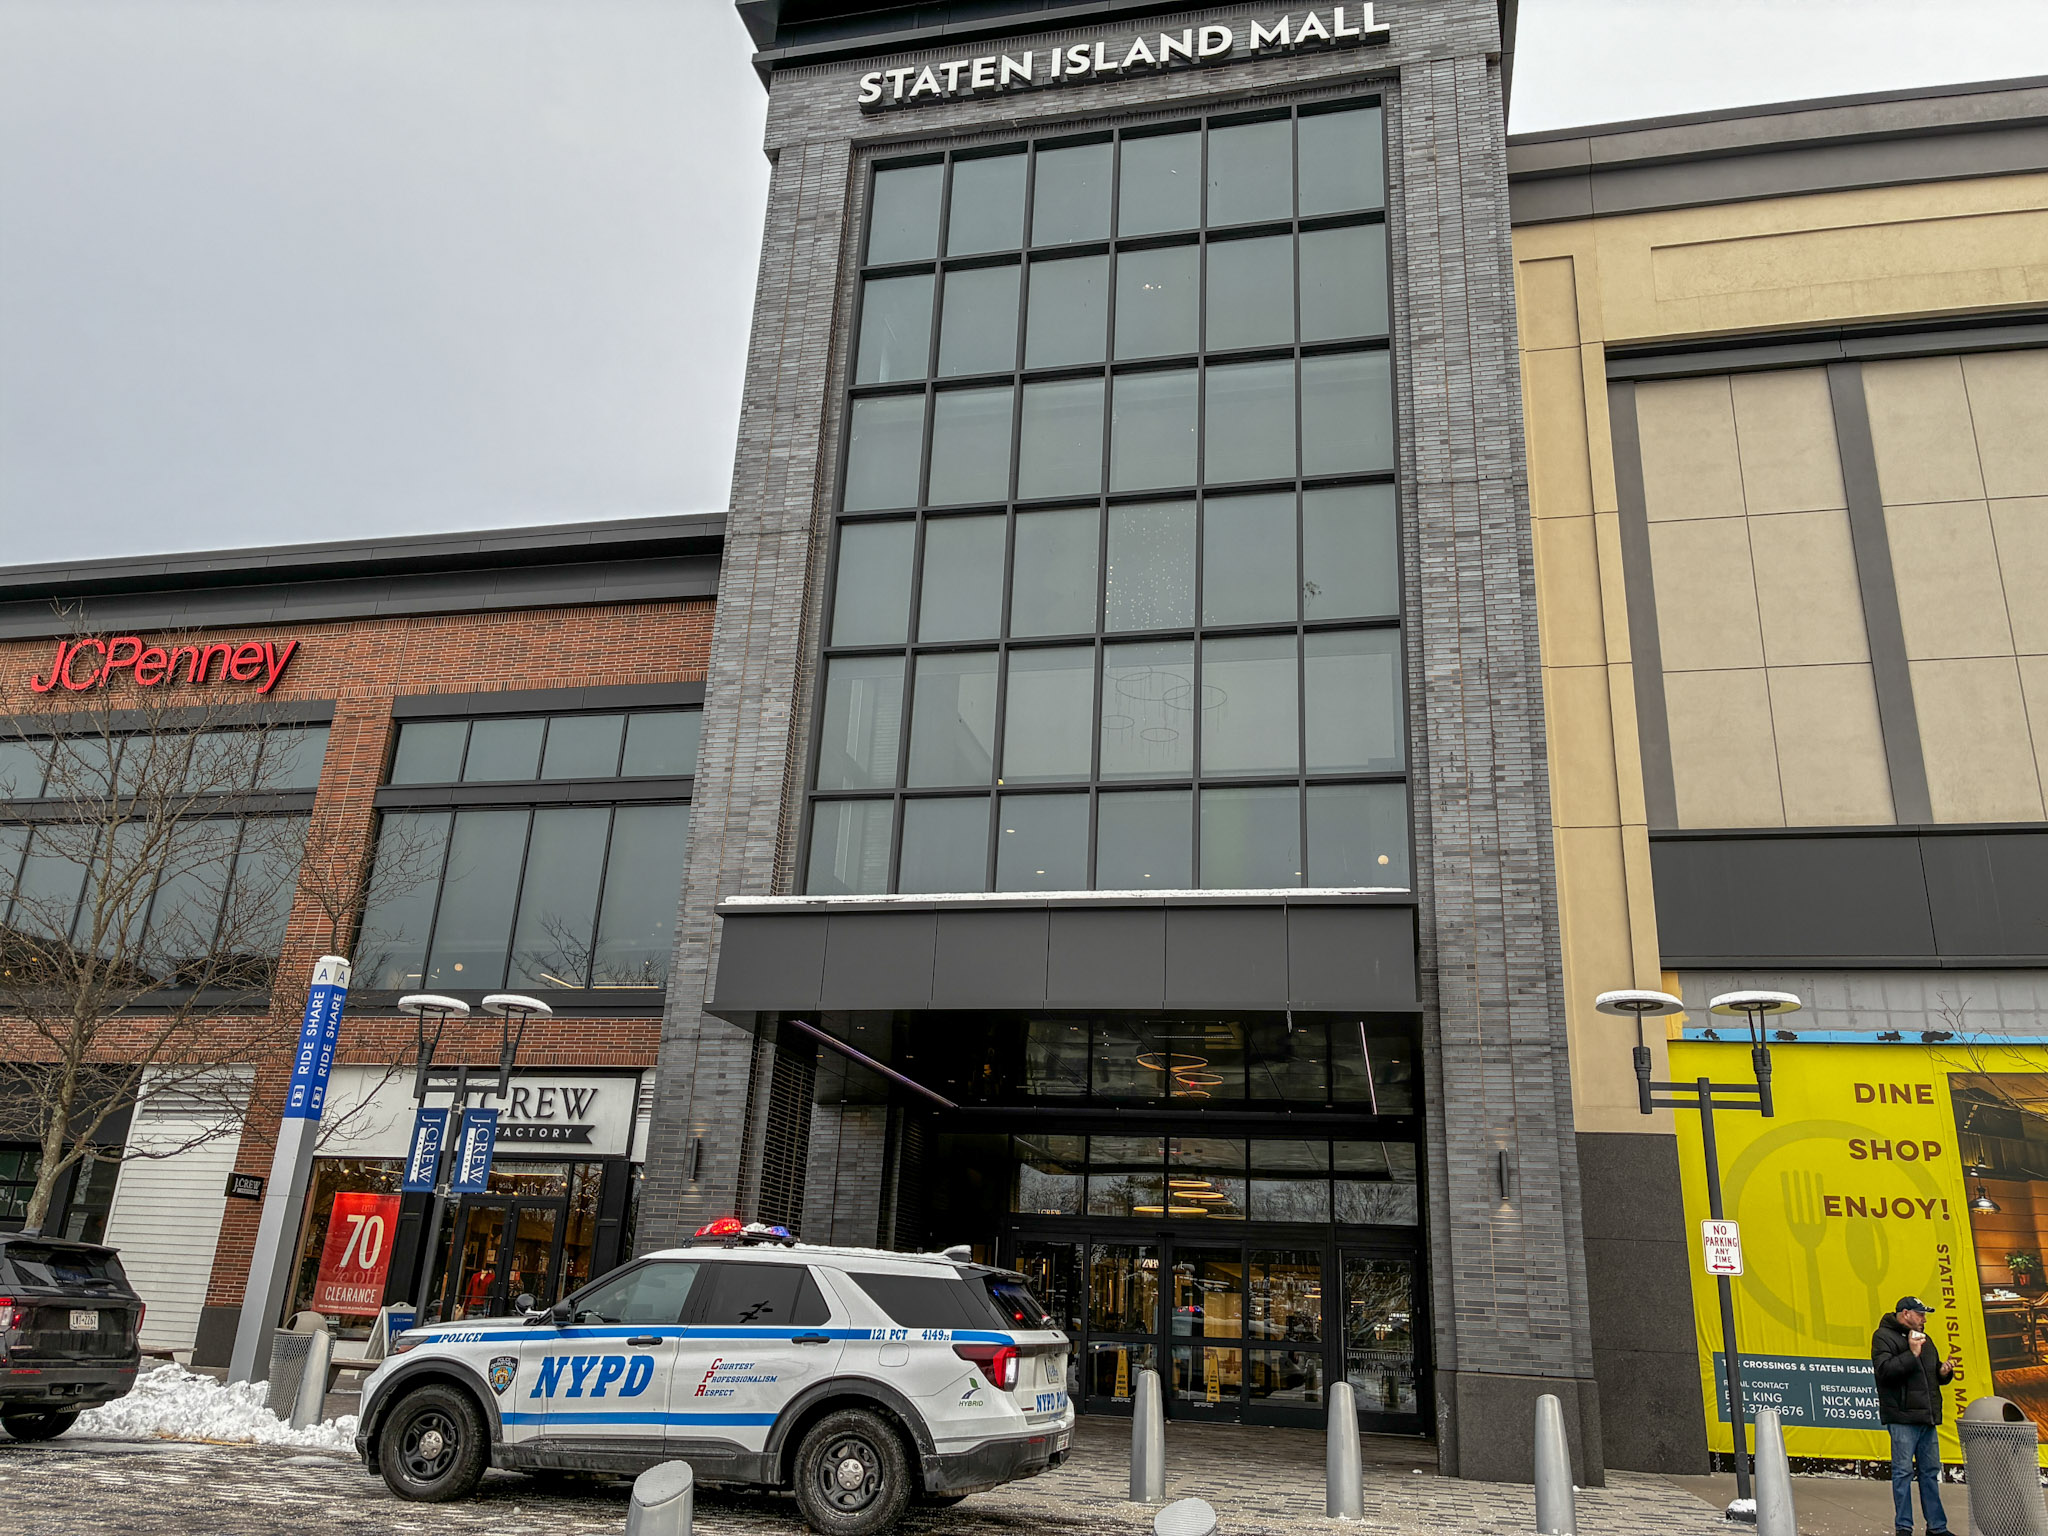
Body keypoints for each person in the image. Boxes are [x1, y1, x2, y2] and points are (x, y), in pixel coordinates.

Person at [1871, 1294, 1959, 1536]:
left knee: (1930, 1473)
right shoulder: (1883, 1337)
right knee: (1902, 1473)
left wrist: (1943, 1372)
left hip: (1926, 1418)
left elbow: (1930, 1374)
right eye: (1920, 1314)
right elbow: (1884, 1372)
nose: (1924, 1320)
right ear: (1905, 1314)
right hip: (1902, 1418)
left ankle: (1937, 1527)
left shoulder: (1924, 1339)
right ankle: (1904, 1527)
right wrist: (1911, 1353)